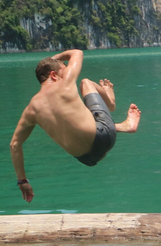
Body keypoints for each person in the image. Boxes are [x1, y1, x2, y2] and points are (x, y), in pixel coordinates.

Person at [10, 49, 141, 202]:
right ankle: (110, 103)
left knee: (76, 113)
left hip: (87, 158)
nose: (67, 73)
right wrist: (54, 58)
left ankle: (121, 126)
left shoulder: (31, 110)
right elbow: (77, 53)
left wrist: (22, 180)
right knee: (86, 82)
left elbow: (14, 144)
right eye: (63, 71)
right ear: (54, 75)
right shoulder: (65, 83)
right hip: (104, 136)